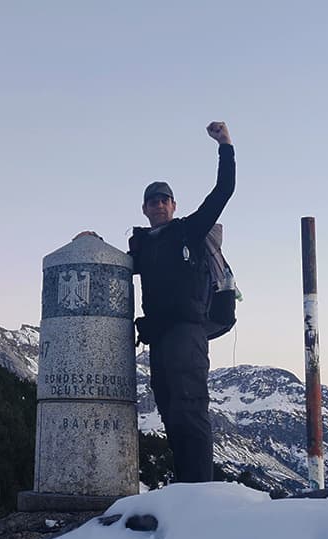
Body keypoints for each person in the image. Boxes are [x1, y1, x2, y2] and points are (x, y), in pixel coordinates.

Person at [128, 121, 235, 483]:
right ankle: (187, 485)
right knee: (169, 407)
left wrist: (225, 145)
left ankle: (200, 489)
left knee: (189, 405)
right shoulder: (142, 246)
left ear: (174, 205)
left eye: (164, 199)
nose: (158, 205)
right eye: (152, 200)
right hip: (158, 335)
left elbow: (224, 191)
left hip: (188, 331)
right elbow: (117, 269)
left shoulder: (190, 229)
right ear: (144, 208)